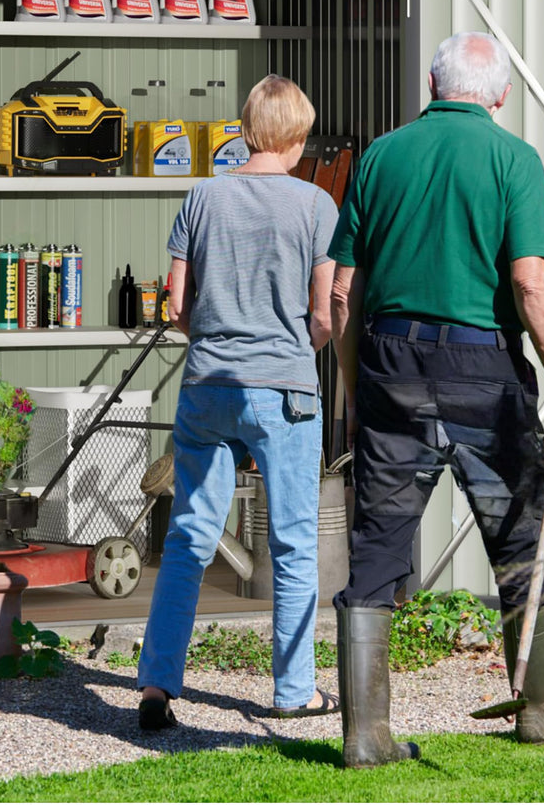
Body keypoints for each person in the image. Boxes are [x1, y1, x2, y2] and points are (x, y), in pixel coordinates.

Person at [327, 31, 544, 767]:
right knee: (519, 537)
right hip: (483, 369)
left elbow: (343, 293)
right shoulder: (513, 159)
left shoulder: (381, 156)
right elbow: (531, 282)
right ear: (501, 94)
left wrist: (355, 392)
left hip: (391, 362)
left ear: (432, 84)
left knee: (379, 542)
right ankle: (540, 708)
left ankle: (365, 733)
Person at [137, 75, 339, 730]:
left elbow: (175, 305)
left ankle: (157, 684)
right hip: (284, 389)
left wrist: (213, 340)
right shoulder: (316, 206)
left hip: (207, 385)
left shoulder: (202, 196)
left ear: (247, 130)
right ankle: (294, 691)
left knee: (188, 537)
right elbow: (324, 314)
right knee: (293, 540)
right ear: (298, 137)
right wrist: (297, 351)